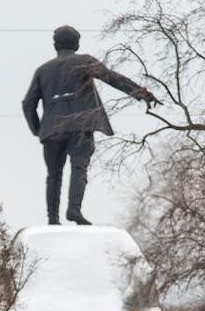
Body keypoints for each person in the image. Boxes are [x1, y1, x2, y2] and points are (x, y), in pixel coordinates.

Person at [21, 25, 157, 225]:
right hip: (81, 126)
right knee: (79, 167)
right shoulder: (84, 61)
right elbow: (112, 78)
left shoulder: (42, 70)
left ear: (55, 45)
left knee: (54, 174)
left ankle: (52, 218)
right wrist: (141, 93)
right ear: (76, 43)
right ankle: (74, 209)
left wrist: (38, 129)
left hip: (52, 130)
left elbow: (28, 104)